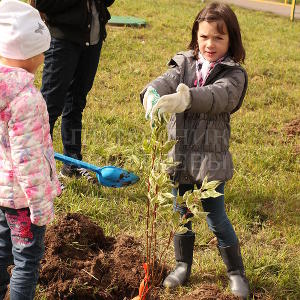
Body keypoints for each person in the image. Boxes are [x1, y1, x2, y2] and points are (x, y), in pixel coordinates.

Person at [141, 2, 249, 298]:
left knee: (216, 216)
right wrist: (151, 94)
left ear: (231, 40)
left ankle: (236, 272)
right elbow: (166, 81)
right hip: (180, 155)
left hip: (210, 160)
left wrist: (187, 98)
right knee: (181, 212)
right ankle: (182, 265)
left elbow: (220, 97)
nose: (209, 44)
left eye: (218, 38)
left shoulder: (233, 74)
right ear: (195, 36)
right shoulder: (185, 63)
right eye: (204, 37)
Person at [0, 1, 61, 299]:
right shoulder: (28, 99)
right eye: (42, 51)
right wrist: (40, 208)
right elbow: (29, 161)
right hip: (24, 200)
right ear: (29, 54)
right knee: (26, 260)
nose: (45, 57)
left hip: (2, 194)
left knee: (1, 253)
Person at [32, 0, 115, 182]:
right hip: (63, 41)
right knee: (48, 108)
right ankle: (39, 169)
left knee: (76, 104)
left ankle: (73, 163)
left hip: (93, 40)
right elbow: (43, 4)